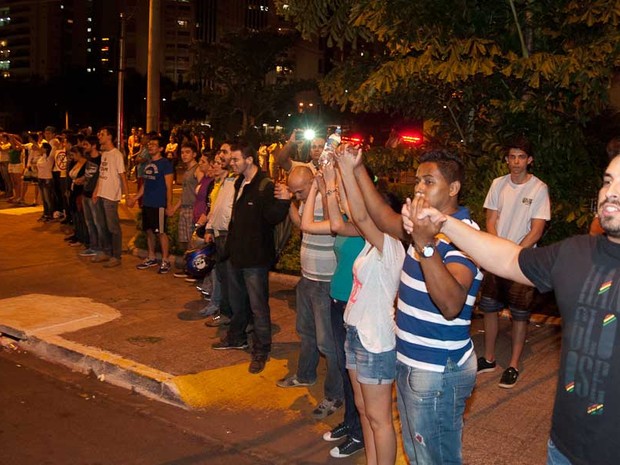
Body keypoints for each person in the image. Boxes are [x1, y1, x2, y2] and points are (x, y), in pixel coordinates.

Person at [406, 153, 620, 465]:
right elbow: (507, 258)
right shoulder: (577, 253)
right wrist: (442, 223)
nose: (610, 191)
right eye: (607, 181)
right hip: (563, 448)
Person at [357, 149, 482, 464]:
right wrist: (357, 168)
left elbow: (452, 304)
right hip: (413, 363)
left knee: (435, 459)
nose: (418, 189)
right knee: (418, 455)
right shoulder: (424, 226)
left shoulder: (464, 234)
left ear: (453, 189)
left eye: (429, 181)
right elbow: (384, 218)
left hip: (437, 370)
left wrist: (426, 246)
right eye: (417, 181)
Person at [333, 148, 406, 465]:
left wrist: (349, 170)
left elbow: (360, 214)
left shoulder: (392, 245)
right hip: (356, 332)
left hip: (375, 339)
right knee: (364, 412)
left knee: (379, 418)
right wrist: (333, 175)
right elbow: (347, 212)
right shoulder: (368, 245)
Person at [477, 137, 551, 388]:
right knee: (489, 307)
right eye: (512, 157)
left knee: (520, 314)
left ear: (529, 160)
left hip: (522, 261)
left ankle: (514, 364)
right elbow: (490, 220)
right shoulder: (498, 184)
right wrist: (498, 251)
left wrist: (513, 253)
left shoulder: (539, 189)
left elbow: (537, 229)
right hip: (497, 258)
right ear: (507, 160)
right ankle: (488, 359)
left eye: (521, 157)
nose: (516, 162)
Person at [212, 141, 291, 374]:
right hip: (236, 255)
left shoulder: (264, 186)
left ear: (249, 160)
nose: (231, 163)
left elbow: (272, 217)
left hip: (256, 259)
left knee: (258, 307)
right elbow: (236, 220)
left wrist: (285, 201)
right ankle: (236, 337)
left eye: (236, 159)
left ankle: (261, 350)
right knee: (238, 303)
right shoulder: (239, 182)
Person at [276, 166, 343, 420]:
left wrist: (319, 190)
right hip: (307, 278)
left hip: (325, 282)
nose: (297, 195)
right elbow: (301, 225)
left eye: (299, 191)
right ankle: (305, 375)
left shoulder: (329, 200)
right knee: (306, 332)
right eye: (294, 192)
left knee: (329, 343)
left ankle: (335, 395)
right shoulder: (306, 199)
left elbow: (329, 225)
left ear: (312, 182)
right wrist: (290, 203)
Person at [128, 136, 174, 274]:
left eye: (154, 144)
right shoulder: (148, 163)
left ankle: (165, 260)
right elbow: (145, 185)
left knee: (161, 232)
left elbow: (169, 186)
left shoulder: (165, 164)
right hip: (147, 203)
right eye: (150, 144)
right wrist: (135, 198)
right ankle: (152, 256)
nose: (151, 146)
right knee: (148, 231)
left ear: (160, 148)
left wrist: (169, 205)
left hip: (159, 204)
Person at [92, 127, 129, 268]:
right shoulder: (105, 154)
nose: (99, 136)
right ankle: (106, 252)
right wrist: (96, 191)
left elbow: (122, 175)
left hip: (111, 196)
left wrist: (127, 195)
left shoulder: (116, 155)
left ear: (109, 136)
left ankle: (116, 255)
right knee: (102, 226)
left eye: (102, 134)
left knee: (113, 227)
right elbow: (101, 174)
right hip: (101, 194)